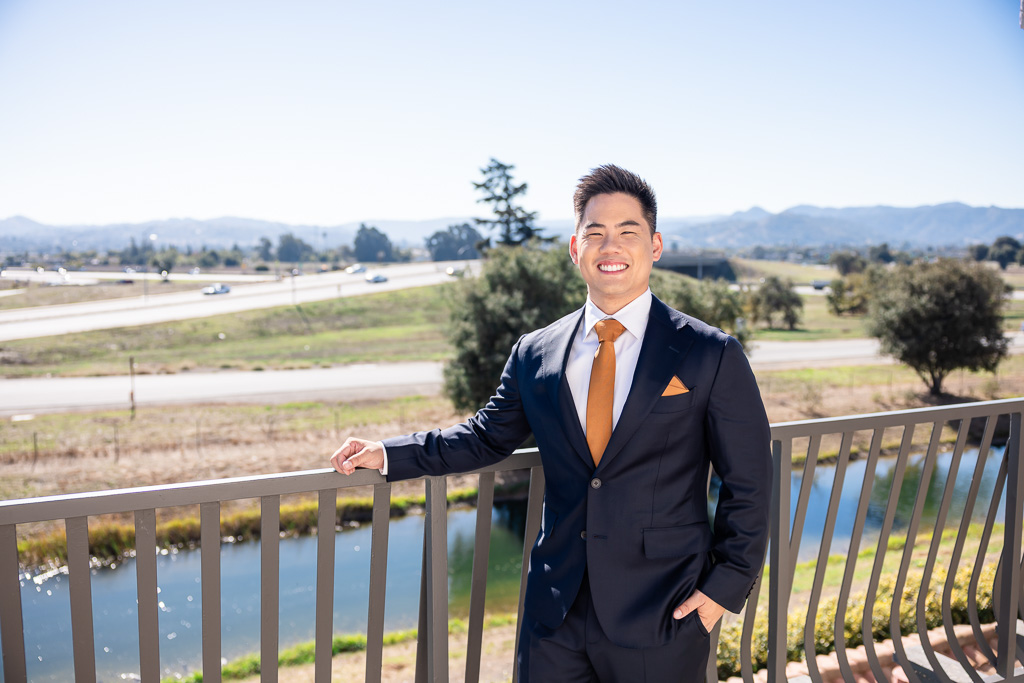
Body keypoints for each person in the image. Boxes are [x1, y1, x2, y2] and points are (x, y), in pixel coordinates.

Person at [330, 165, 772, 682]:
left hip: (664, 609)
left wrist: (723, 589)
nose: (611, 246)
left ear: (654, 246)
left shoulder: (710, 353)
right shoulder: (535, 352)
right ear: (574, 248)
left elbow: (750, 481)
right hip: (554, 612)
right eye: (595, 233)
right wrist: (388, 453)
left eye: (628, 232)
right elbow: (485, 436)